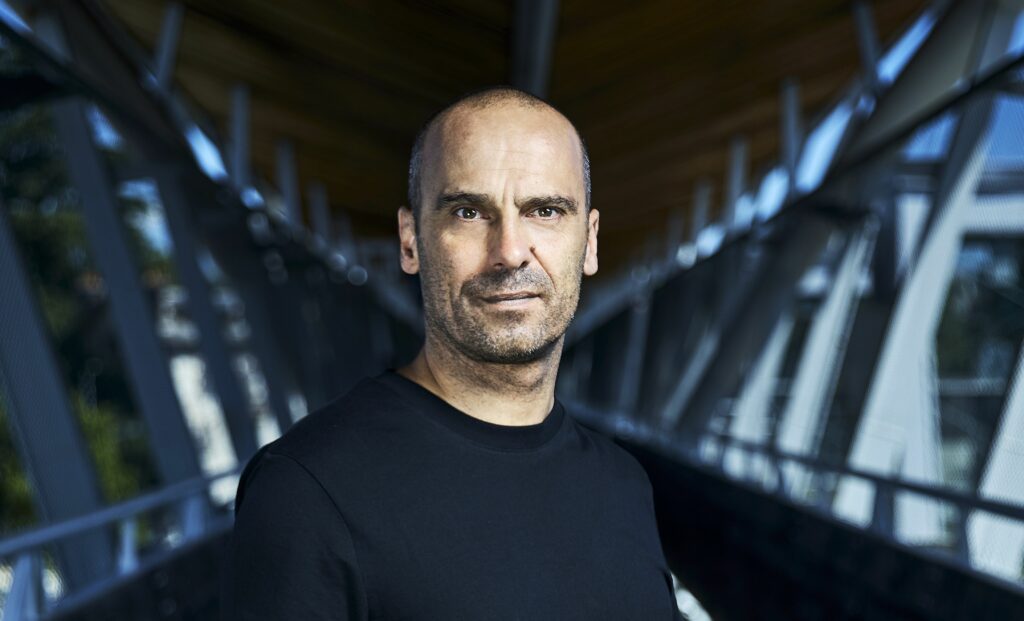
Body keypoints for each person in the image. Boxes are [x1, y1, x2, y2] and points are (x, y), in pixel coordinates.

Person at [221, 86, 684, 620]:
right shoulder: (306, 491)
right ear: (410, 240)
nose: (510, 251)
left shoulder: (624, 486)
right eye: (468, 212)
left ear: (590, 241)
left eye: (546, 211)